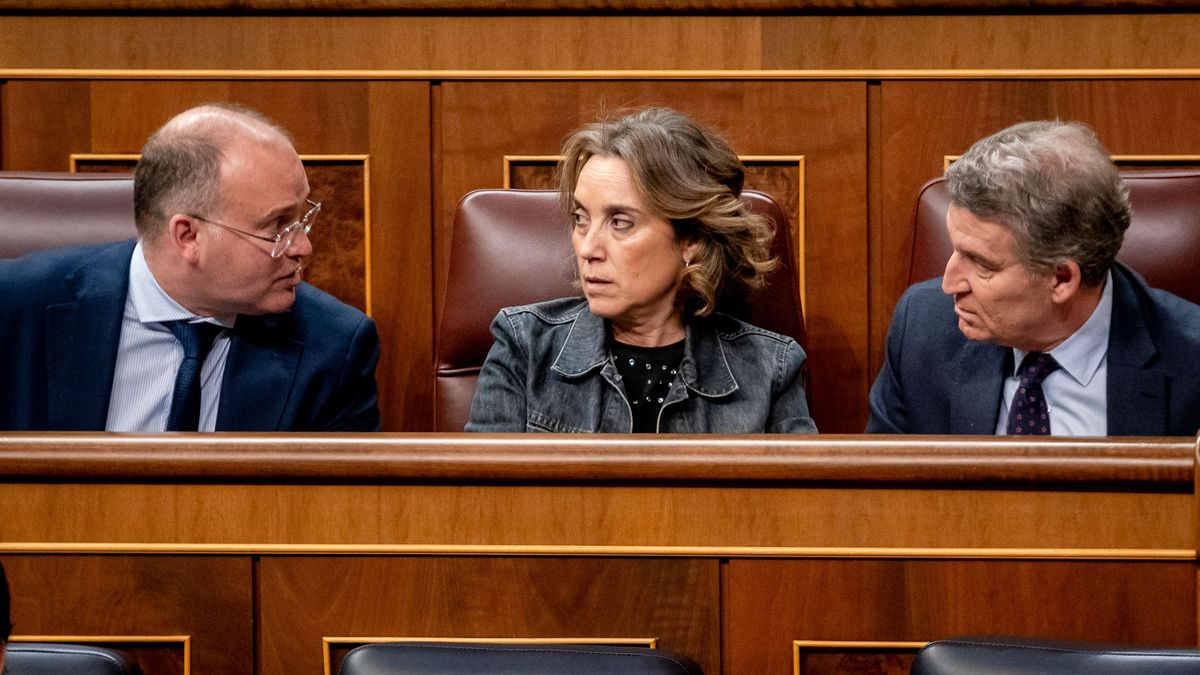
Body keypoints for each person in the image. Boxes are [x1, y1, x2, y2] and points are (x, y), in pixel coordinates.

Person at [0, 103, 380, 431]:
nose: (303, 246)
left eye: (301, 219)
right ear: (187, 236)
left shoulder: (333, 349)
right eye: (277, 227)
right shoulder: (16, 307)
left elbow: (336, 511)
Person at [466, 107, 817, 433]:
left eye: (620, 222)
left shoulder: (772, 369)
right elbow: (483, 500)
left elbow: (801, 501)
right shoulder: (524, 347)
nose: (587, 248)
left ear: (692, 238)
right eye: (580, 219)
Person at [867, 120, 1200, 436]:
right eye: (956, 250)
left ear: (1061, 279)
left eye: (981, 264)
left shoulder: (1190, 363)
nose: (949, 284)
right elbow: (881, 490)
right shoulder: (923, 331)